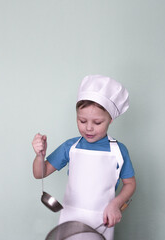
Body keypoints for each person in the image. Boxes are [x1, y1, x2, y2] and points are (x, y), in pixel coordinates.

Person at [32, 75, 136, 240]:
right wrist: (39, 155)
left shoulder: (119, 151)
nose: (89, 128)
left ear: (110, 119)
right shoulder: (70, 147)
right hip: (70, 218)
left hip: (102, 219)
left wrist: (115, 204)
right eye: (82, 120)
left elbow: (130, 184)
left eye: (97, 122)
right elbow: (40, 173)